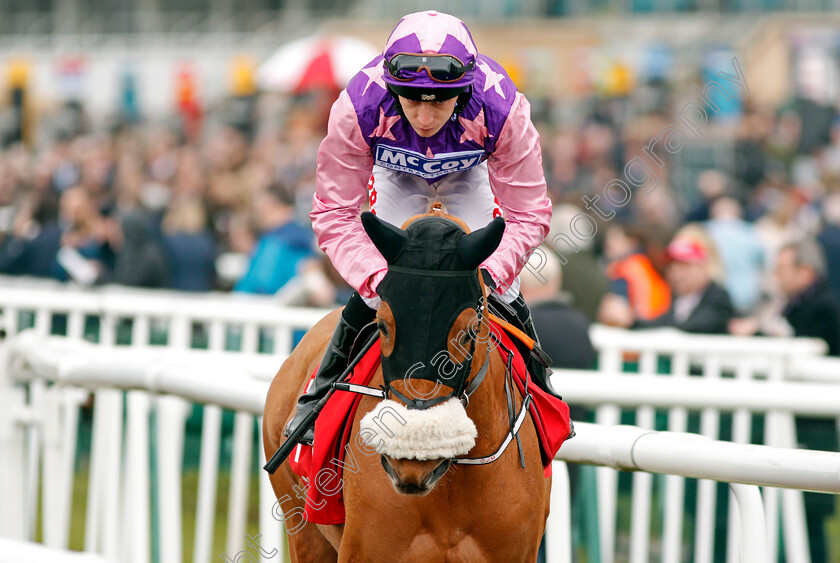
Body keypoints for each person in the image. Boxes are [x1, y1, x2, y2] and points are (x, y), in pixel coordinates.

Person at [285, 10, 553, 443]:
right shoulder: (357, 105)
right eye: (411, 101)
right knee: (378, 295)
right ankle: (318, 397)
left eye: (440, 103)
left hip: (471, 178)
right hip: (395, 179)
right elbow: (334, 211)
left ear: (464, 93)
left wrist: (490, 274)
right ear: (393, 90)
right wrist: (377, 279)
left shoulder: (505, 106)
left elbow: (529, 213)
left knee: (505, 287)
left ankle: (542, 400)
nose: (425, 119)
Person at [234, 181, 314, 295]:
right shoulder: (307, 239)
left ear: (270, 205)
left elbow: (261, 285)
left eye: (258, 207)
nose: (257, 215)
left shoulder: (273, 243)